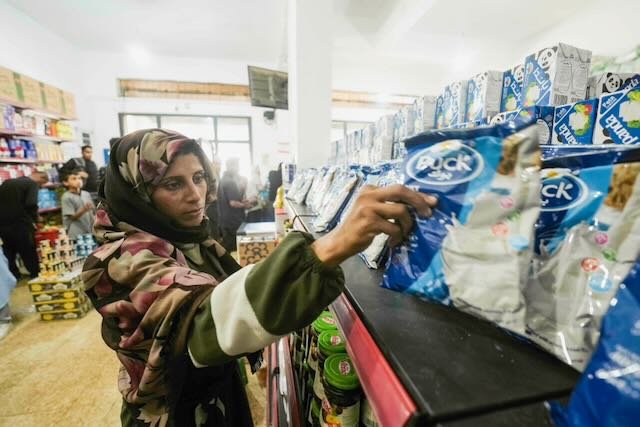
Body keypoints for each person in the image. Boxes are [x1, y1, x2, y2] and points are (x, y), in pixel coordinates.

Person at [82, 128, 435, 426]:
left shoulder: (186, 239)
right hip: (171, 412)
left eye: (199, 177)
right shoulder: (118, 261)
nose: (196, 195)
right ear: (137, 193)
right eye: (173, 184)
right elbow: (199, 323)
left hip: (213, 394)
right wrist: (330, 246)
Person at [0, 171, 49, 279]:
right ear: (40, 176)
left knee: (8, 251)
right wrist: (36, 219)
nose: (40, 186)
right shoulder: (31, 184)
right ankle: (35, 274)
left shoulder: (7, 182)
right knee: (27, 250)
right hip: (21, 224)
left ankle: (14, 275)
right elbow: (31, 203)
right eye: (41, 183)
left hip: (3, 225)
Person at [217, 157, 251, 251]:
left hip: (225, 220)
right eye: (236, 166)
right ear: (230, 166)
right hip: (233, 221)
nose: (238, 169)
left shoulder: (222, 180)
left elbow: (231, 200)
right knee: (235, 248)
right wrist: (245, 205)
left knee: (228, 246)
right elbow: (233, 203)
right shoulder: (230, 182)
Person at [61, 169, 95, 239]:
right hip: (76, 234)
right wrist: (84, 210)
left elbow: (92, 213)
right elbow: (71, 217)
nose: (78, 181)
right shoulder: (66, 197)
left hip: (90, 232)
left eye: (79, 178)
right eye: (74, 179)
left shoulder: (86, 194)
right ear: (65, 183)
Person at [205, 156, 222, 240]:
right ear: (212, 164)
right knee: (213, 227)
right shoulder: (209, 175)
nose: (219, 166)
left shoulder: (218, 175)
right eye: (217, 164)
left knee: (217, 225)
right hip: (211, 204)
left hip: (217, 204)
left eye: (220, 164)